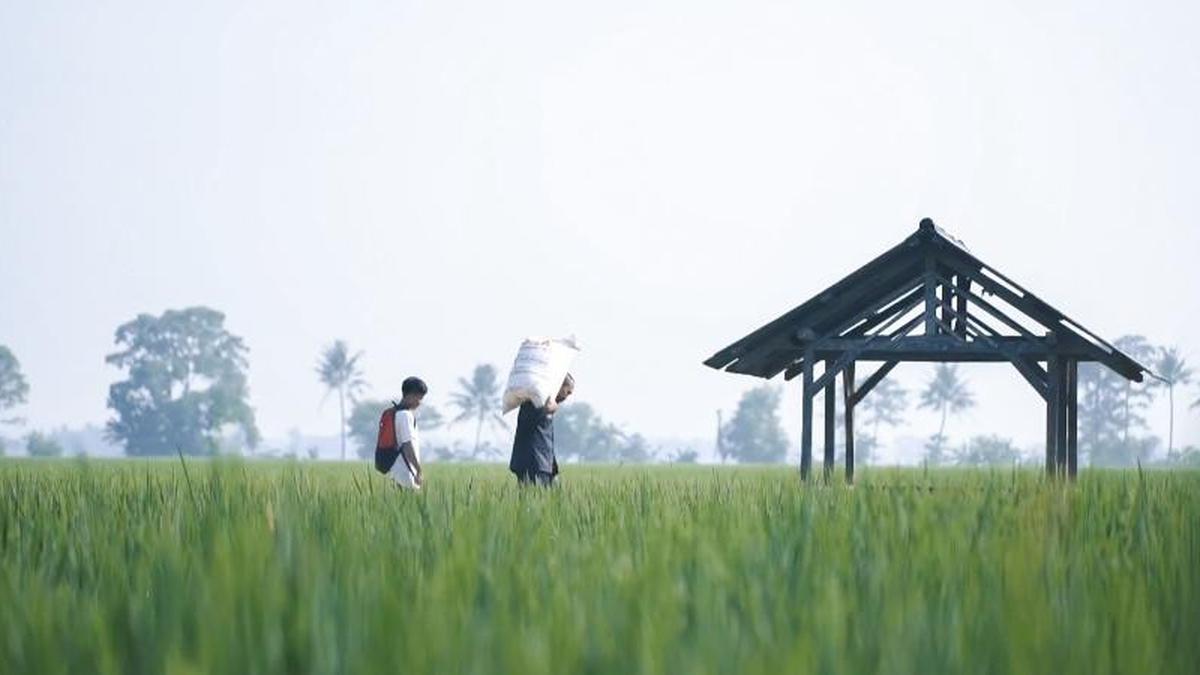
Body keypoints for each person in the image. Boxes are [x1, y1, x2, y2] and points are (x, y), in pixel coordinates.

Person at [508, 373, 574, 487]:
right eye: (567, 392)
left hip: (545, 465)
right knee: (532, 499)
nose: (567, 396)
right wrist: (554, 406)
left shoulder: (547, 401)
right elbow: (547, 408)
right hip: (532, 463)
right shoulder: (536, 398)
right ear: (559, 386)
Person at [380, 376, 427, 490]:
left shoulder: (396, 414)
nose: (420, 403)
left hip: (396, 471)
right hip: (405, 473)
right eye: (419, 398)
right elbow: (407, 445)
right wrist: (418, 469)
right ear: (411, 396)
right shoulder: (405, 416)